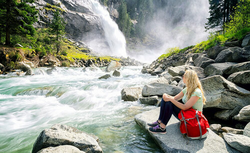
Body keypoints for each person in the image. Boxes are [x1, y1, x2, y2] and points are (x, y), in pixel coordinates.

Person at [148, 69, 206, 134]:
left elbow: (185, 107)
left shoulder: (196, 92)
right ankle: (159, 121)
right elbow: (175, 98)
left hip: (193, 118)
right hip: (187, 114)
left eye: (183, 76)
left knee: (170, 102)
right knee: (166, 99)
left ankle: (162, 128)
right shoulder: (187, 89)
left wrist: (170, 99)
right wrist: (166, 96)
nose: (182, 77)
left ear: (188, 79)